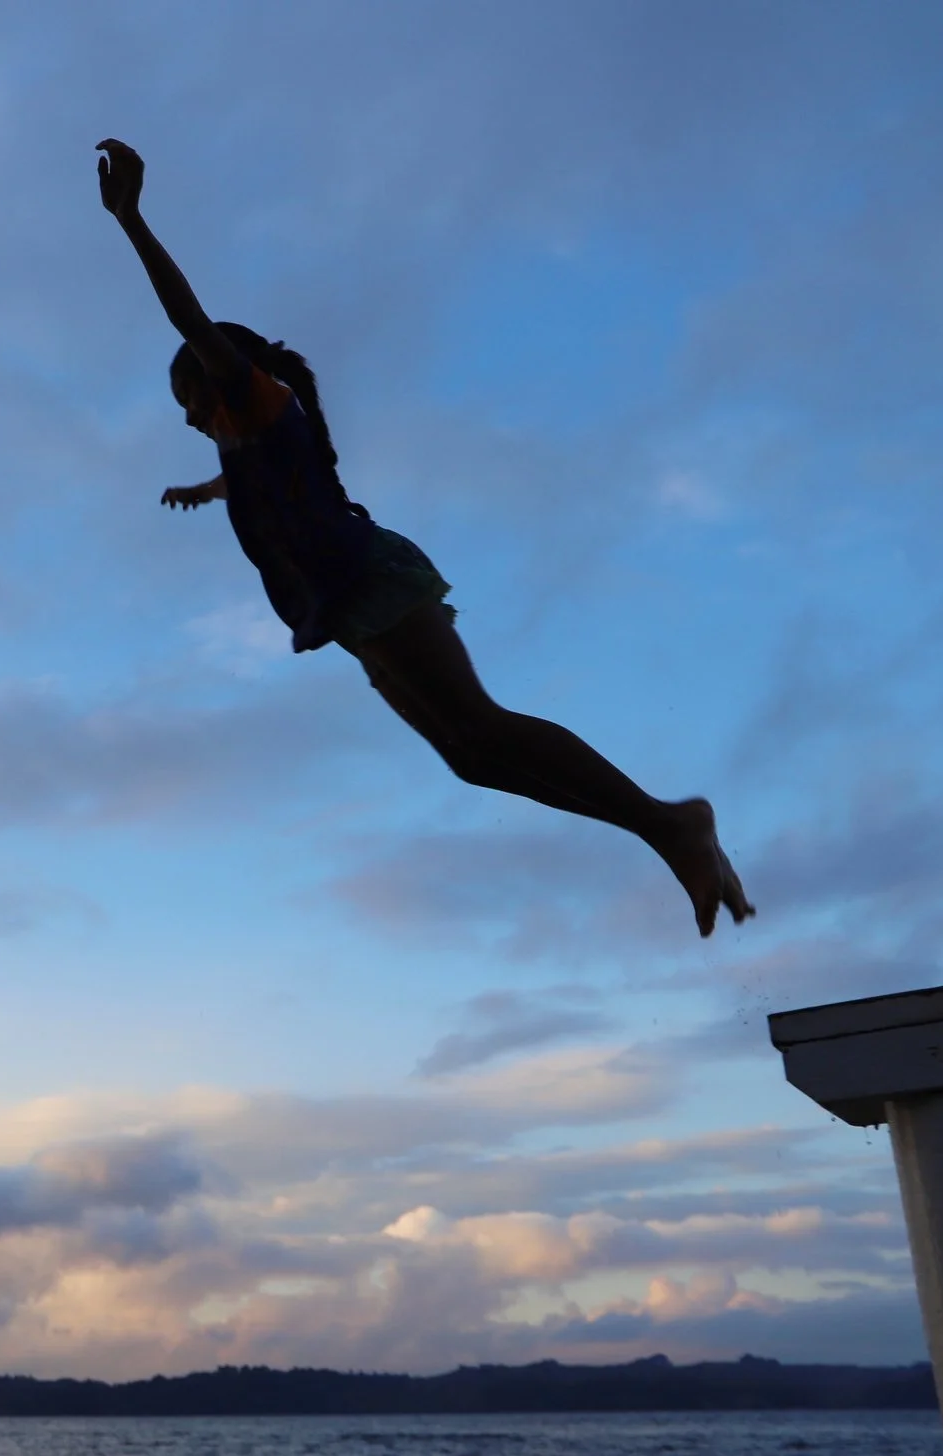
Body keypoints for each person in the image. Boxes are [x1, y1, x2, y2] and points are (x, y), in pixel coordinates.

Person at [96, 139, 753, 937]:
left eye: (186, 396)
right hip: (347, 609)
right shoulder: (249, 444)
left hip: (374, 581)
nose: (187, 416)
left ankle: (672, 824)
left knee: (482, 724)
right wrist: (205, 489)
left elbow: (186, 314)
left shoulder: (255, 397)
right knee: (471, 759)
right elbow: (260, 485)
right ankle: (663, 830)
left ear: (215, 373)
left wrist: (132, 221)